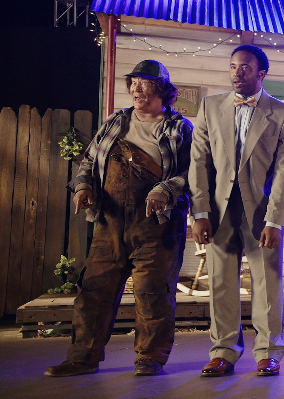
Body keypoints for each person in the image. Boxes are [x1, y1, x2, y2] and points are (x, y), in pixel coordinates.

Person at [45, 60, 192, 377]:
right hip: (109, 224)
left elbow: (191, 173)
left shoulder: (179, 128)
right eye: (133, 82)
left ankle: (150, 358)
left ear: (162, 89)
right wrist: (83, 187)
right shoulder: (115, 122)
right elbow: (89, 161)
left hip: (158, 228)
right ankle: (82, 358)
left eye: (145, 83)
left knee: (153, 294)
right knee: (94, 292)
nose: (137, 88)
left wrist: (165, 189)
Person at [188, 44, 284, 377]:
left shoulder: (283, 114)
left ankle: (268, 352)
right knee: (221, 284)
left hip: (262, 213)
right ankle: (223, 352)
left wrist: (275, 220)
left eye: (245, 67)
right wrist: (200, 213)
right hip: (218, 211)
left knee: (267, 284)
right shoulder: (209, 107)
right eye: (233, 66)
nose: (237, 72)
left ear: (261, 73)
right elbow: (198, 161)